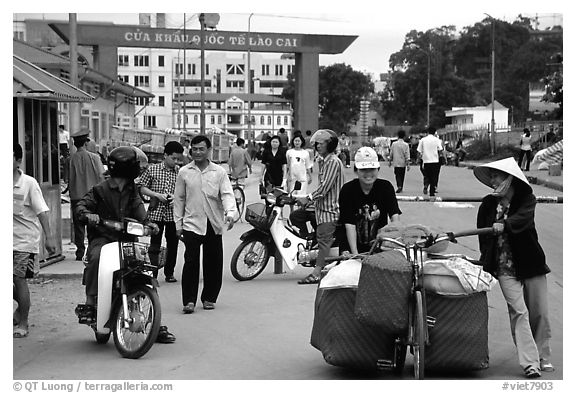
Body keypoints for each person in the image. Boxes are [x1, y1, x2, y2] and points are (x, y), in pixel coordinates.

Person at [74, 146, 175, 344]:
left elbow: (139, 211)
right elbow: (81, 207)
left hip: (127, 240)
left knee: (144, 269)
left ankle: (152, 321)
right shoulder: (100, 190)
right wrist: (88, 215)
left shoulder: (132, 190)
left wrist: (148, 223)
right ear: (128, 167)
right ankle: (90, 301)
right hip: (103, 238)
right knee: (95, 258)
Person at [474, 157, 553, 378]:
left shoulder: (526, 199)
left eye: (497, 176)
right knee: (519, 311)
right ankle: (530, 363)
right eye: (491, 176)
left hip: (531, 263)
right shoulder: (488, 205)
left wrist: (504, 224)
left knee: (539, 313)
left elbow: (522, 220)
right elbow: (483, 236)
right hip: (503, 265)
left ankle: (543, 355)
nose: (493, 180)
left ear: (510, 178)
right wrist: (485, 259)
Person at [174, 135, 237, 313]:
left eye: (201, 149)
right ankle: (189, 301)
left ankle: (209, 297)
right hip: (191, 222)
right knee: (191, 261)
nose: (198, 152)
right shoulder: (184, 172)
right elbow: (179, 199)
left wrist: (230, 213)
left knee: (213, 261)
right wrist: (178, 225)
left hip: (213, 222)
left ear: (209, 150)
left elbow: (226, 194)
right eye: (194, 149)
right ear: (190, 150)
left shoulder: (219, 172)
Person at [13, 143, 56, 338]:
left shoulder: (29, 183)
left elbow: (42, 212)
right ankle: (20, 309)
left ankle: (23, 322)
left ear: (18, 161)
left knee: (17, 279)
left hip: (23, 241)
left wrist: (49, 238)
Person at [291, 129, 344, 285]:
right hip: (320, 208)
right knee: (297, 216)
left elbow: (324, 187)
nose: (317, 146)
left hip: (330, 209)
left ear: (330, 144)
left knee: (324, 242)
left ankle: (316, 273)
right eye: (317, 144)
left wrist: (307, 198)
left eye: (321, 144)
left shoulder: (333, 161)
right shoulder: (323, 160)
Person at [339, 147, 401, 255]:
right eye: (363, 170)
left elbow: (394, 216)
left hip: (379, 245)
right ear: (356, 170)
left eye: (372, 169)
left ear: (378, 169)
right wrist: (355, 254)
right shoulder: (347, 190)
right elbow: (349, 224)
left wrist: (395, 241)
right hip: (351, 245)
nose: (368, 174)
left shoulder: (386, 187)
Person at [138, 141, 184, 283]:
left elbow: (186, 192)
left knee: (173, 244)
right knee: (155, 244)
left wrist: (174, 197)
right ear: (165, 155)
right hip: (156, 212)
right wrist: (156, 195)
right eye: (173, 158)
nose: (176, 162)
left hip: (172, 214)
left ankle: (169, 272)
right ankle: (153, 273)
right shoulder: (152, 170)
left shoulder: (181, 173)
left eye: (178, 159)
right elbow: (142, 188)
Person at [68, 128, 106, 261]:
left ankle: (80, 252)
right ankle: (91, 250)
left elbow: (68, 179)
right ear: (86, 143)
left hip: (76, 196)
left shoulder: (71, 159)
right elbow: (102, 177)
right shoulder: (94, 158)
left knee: (78, 225)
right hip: (91, 197)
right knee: (93, 224)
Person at [417, 127, 445, 197]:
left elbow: (419, 151)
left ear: (428, 132)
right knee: (434, 176)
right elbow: (440, 150)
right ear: (435, 132)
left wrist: (418, 159)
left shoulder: (423, 140)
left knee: (427, 175)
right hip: (435, 160)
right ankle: (432, 192)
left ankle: (426, 185)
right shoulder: (437, 140)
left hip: (426, 160)